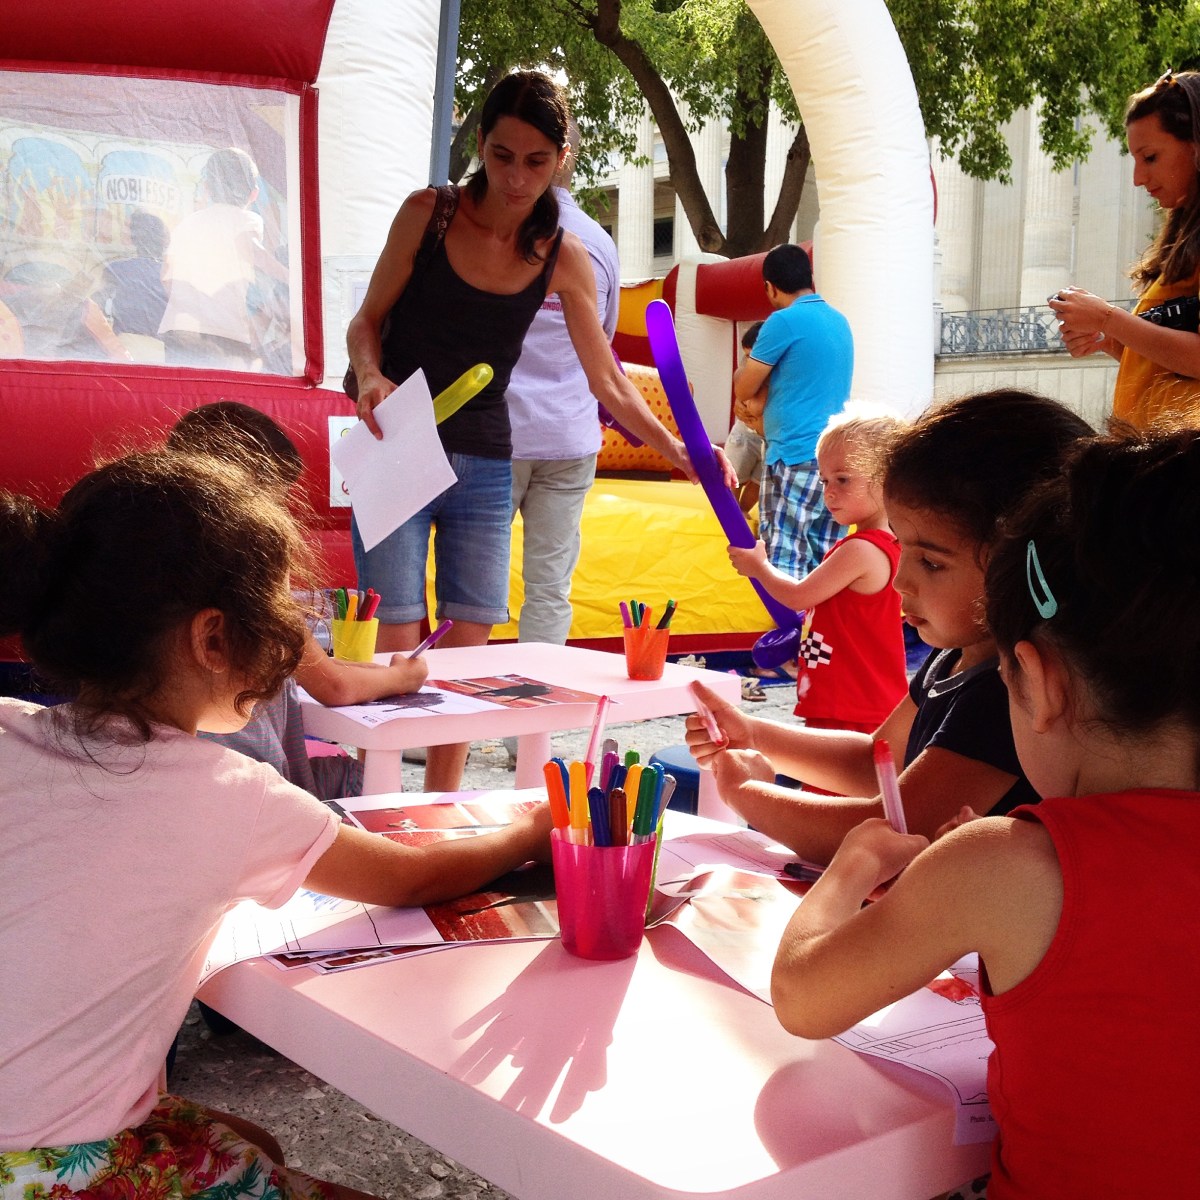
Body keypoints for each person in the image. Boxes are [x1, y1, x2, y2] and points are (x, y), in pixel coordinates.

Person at [0, 449, 550, 1193]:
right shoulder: (226, 792)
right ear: (215, 639)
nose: (294, 641)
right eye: (281, 611)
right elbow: (409, 875)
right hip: (43, 1171)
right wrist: (534, 825)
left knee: (254, 1138)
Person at [770, 426, 1200, 1197]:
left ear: (1038, 680)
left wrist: (858, 863)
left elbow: (804, 998)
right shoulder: (1006, 866)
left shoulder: (1003, 866)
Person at [346, 70, 730, 791]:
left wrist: (683, 450)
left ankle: (442, 805)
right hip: (396, 441)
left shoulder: (564, 255)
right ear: (481, 148)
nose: (516, 177)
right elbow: (365, 322)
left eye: (534, 161)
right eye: (501, 155)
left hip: (490, 455)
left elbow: (609, 381)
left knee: (471, 643)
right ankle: (384, 803)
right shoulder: (429, 213)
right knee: (396, 637)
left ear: (561, 161)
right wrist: (370, 376)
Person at [684, 390, 1092, 865]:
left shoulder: (1008, 692)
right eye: (904, 546)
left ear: (1019, 561)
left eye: (932, 563)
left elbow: (882, 833)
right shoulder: (955, 656)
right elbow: (877, 760)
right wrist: (754, 734)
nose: (899, 580)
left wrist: (744, 793)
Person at [167, 401, 428, 801]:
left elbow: (310, 665)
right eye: (277, 504)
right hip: (248, 777)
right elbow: (334, 687)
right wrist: (401, 677)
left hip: (178, 770)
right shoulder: (248, 573)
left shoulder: (155, 563)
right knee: (371, 788)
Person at [506, 119, 621, 648]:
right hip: (569, 432)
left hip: (497, 432)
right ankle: (532, 729)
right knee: (550, 590)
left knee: (471, 588)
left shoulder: (492, 233)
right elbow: (604, 339)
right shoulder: (597, 242)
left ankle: (454, 726)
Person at [727, 411, 907, 736]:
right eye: (824, 480)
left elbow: (798, 595)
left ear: (887, 481)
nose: (829, 491)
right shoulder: (889, 546)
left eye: (843, 479)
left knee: (832, 783)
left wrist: (759, 568)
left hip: (854, 701)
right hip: (856, 696)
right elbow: (843, 620)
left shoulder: (861, 550)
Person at [1050, 69, 1200, 427]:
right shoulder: (1182, 239)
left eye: (1149, 158)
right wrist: (1110, 339)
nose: (1137, 178)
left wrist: (1108, 318)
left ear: (1196, 146)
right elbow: (1173, 369)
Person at [733, 244, 853, 581]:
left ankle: (795, 632)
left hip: (793, 454)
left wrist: (750, 375)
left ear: (769, 286)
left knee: (786, 562)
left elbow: (744, 388)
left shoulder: (782, 322)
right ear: (809, 278)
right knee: (826, 560)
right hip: (836, 458)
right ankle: (821, 633)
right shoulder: (839, 321)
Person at [158, 147, 287, 370]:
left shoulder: (187, 223)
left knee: (184, 399)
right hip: (225, 332)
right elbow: (250, 250)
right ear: (253, 193)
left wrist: (189, 306)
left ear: (207, 188)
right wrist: (292, 277)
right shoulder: (246, 218)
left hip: (178, 328)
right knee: (220, 401)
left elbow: (165, 276)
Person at [725, 321, 767, 515]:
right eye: (747, 356)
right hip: (746, 431)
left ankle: (742, 511)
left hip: (768, 435)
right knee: (734, 474)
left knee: (760, 481)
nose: (749, 360)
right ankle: (732, 512)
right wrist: (741, 404)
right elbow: (740, 383)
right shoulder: (748, 367)